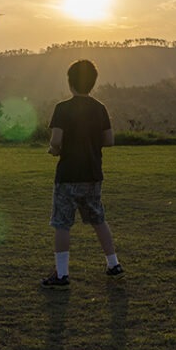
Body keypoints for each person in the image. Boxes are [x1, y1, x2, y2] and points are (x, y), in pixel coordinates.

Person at [41, 59, 124, 289]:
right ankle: (113, 264)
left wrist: (53, 149)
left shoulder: (62, 108)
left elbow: (56, 140)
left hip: (68, 174)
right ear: (93, 83)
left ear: (70, 82)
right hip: (93, 173)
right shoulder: (100, 108)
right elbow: (109, 140)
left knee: (62, 223)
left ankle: (62, 274)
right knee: (98, 219)